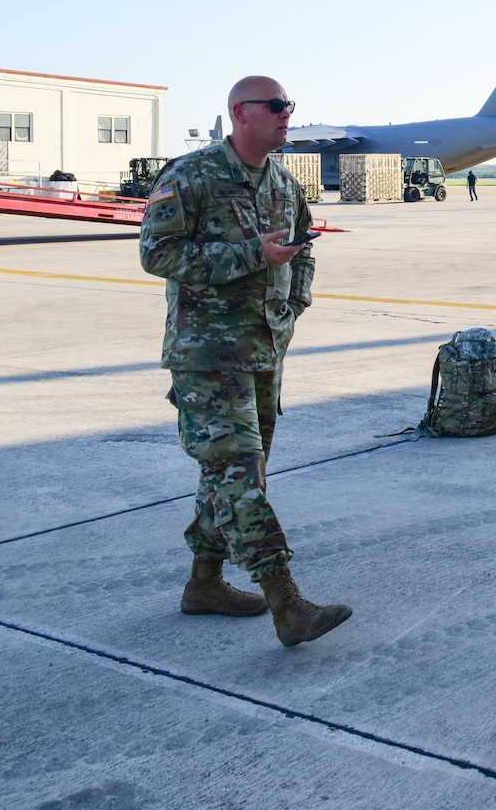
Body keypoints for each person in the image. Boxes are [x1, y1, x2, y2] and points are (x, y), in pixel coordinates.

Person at [139, 75, 352, 648]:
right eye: (276, 106)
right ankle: (286, 602)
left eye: (289, 106)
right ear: (240, 112)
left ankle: (204, 583)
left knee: (236, 474)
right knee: (237, 472)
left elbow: (305, 246)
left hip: (263, 350)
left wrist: (294, 303)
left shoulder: (283, 181)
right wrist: (249, 255)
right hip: (207, 352)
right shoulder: (193, 175)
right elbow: (156, 252)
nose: (287, 115)